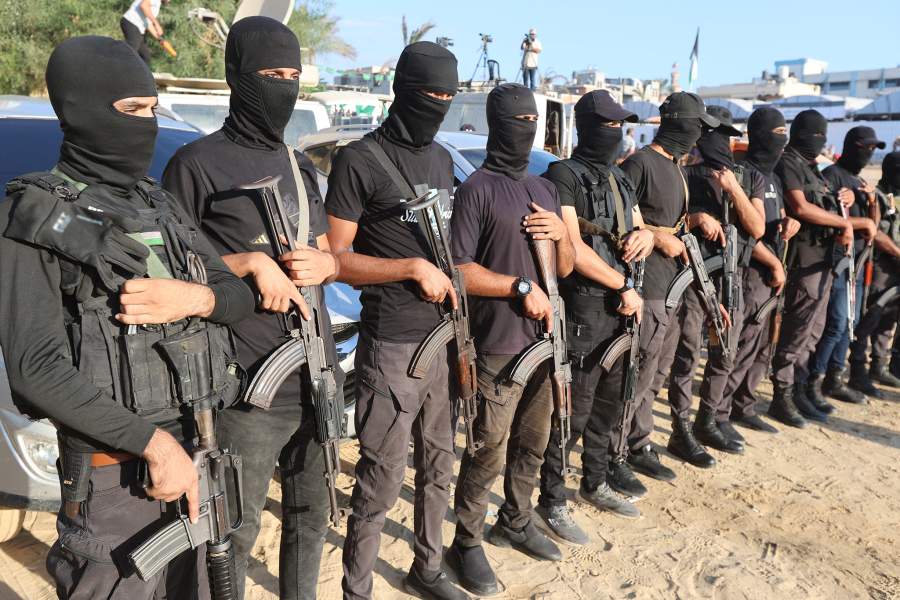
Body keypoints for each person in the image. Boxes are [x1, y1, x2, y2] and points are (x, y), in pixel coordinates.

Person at [0, 36, 254, 599]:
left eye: (152, 108)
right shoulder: (33, 218)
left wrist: (193, 299)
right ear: (82, 109)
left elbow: (237, 295)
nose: (148, 124)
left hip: (202, 447)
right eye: (131, 110)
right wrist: (156, 445)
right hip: (115, 474)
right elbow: (35, 370)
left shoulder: (159, 203)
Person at [162, 17, 339, 600]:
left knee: (310, 521)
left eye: (293, 75)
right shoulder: (195, 164)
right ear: (239, 76)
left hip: (315, 379)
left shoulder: (300, 167)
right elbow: (172, 268)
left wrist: (328, 264)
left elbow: (324, 252)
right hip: (245, 390)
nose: (284, 87)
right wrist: (247, 264)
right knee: (232, 534)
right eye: (271, 74)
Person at [325, 42, 468, 600]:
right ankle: (356, 590)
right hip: (392, 345)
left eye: (448, 96)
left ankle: (427, 569)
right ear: (401, 90)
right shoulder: (360, 159)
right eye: (430, 94)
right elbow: (335, 260)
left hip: (444, 340)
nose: (439, 104)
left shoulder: (440, 157)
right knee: (380, 479)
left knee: (438, 465)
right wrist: (408, 267)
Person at [447, 82, 575, 595]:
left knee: (534, 443)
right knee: (487, 450)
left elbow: (562, 270)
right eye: (517, 121)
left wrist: (562, 236)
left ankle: (516, 520)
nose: (526, 130)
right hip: (497, 344)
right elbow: (457, 269)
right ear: (498, 123)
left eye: (532, 121)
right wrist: (516, 287)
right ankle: (467, 541)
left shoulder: (546, 189)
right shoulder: (477, 187)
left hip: (546, 345)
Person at [535, 90, 653, 546]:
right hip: (585, 305)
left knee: (610, 403)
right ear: (587, 126)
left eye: (620, 125)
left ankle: (596, 480)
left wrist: (644, 237)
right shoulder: (562, 175)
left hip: (623, 307)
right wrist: (621, 286)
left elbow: (639, 224)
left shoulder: (621, 178)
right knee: (573, 411)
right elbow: (572, 246)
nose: (615, 133)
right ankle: (553, 498)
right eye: (607, 125)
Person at [606, 92, 719, 497]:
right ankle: (611, 454)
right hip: (649, 284)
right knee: (636, 373)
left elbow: (669, 214)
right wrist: (657, 237)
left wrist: (696, 218)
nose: (700, 136)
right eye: (697, 126)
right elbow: (621, 220)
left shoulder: (675, 167)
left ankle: (639, 443)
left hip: (673, 285)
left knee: (657, 371)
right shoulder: (640, 164)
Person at [768, 110, 855, 428]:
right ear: (802, 133)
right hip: (803, 262)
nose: (821, 141)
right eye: (816, 134)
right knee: (797, 332)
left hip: (824, 261)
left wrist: (845, 197)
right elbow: (801, 207)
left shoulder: (812, 168)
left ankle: (801, 389)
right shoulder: (788, 162)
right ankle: (782, 395)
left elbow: (825, 203)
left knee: (813, 332)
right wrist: (844, 223)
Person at [723, 107, 800, 433]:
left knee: (764, 344)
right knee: (742, 344)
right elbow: (740, 233)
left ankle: (745, 404)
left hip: (774, 271)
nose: (781, 141)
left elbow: (776, 216)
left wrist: (788, 222)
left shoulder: (774, 176)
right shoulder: (743, 173)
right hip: (750, 271)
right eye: (777, 134)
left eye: (785, 134)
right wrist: (772, 262)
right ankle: (720, 412)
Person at [807, 127, 884, 407]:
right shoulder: (832, 177)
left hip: (858, 265)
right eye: (866, 148)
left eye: (874, 149)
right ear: (852, 146)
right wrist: (859, 220)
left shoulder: (860, 181)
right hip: (837, 263)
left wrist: (872, 200)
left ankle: (834, 378)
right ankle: (814, 378)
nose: (869, 154)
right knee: (836, 322)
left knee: (848, 325)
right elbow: (828, 218)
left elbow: (873, 227)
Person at [847, 151, 900, 391]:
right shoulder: (877, 196)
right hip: (881, 266)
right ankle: (858, 367)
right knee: (872, 316)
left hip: (895, 269)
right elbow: (875, 232)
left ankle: (880, 365)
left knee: (890, 318)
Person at [121, 0, 168, 66]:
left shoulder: (157, 3)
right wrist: (156, 23)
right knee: (131, 50)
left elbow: (147, 23)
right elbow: (143, 5)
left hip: (138, 28)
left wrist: (160, 39)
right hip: (131, 22)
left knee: (145, 56)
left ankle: (137, 75)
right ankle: (115, 67)